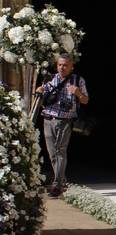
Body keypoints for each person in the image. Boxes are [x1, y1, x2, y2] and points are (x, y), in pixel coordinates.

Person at [36, 54, 89, 197]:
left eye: (65, 65)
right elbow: (42, 96)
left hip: (65, 120)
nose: (62, 68)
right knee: (52, 153)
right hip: (48, 118)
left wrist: (77, 93)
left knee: (60, 150)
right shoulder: (50, 79)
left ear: (72, 67)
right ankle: (61, 179)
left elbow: (85, 101)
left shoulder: (78, 80)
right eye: (60, 65)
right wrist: (39, 92)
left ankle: (57, 185)